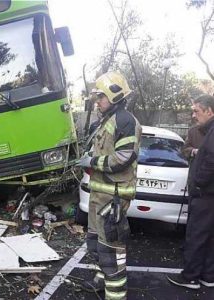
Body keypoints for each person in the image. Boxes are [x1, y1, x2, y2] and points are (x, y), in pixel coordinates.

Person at [76, 71, 142, 300]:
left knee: (110, 251)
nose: (97, 101)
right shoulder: (106, 121)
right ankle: (100, 282)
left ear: (115, 96)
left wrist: (92, 162)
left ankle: (116, 296)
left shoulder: (125, 121)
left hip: (114, 197)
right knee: (95, 244)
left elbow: (124, 157)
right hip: (99, 194)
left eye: (101, 96)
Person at [167, 94, 214, 290]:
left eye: (197, 111)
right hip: (209, 195)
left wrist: (199, 184)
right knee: (209, 236)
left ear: (209, 111)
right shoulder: (201, 130)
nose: (193, 115)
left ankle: (190, 277)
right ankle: (208, 276)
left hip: (205, 195)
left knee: (196, 234)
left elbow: (211, 160)